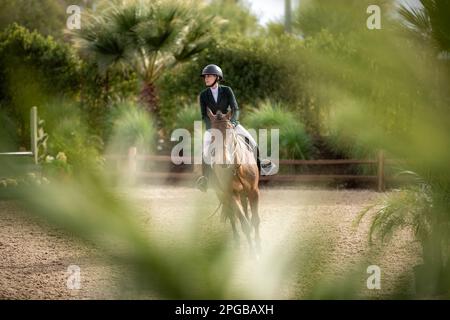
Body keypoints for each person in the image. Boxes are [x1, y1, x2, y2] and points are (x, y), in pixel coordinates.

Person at [195, 64, 274, 192]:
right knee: (205, 150)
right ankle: (206, 179)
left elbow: (235, 108)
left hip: (229, 124)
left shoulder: (227, 90)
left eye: (208, 76)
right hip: (214, 127)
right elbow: (204, 115)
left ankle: (261, 165)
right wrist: (212, 127)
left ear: (217, 77)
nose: (206, 79)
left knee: (251, 140)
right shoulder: (204, 95)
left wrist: (232, 122)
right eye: (205, 77)